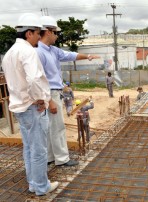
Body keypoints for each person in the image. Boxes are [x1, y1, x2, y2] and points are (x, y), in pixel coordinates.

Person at [2, 13, 58, 196]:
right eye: (37, 33)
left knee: (29, 148)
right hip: (32, 107)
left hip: (19, 107)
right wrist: (41, 99)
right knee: (39, 150)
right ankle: (42, 187)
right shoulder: (28, 51)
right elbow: (34, 79)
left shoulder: (9, 53)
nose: (38, 37)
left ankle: (34, 183)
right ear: (28, 33)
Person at [36, 16, 100, 167]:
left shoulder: (53, 50)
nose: (57, 36)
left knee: (51, 127)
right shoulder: (39, 52)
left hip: (54, 93)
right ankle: (62, 159)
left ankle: (50, 157)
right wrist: (48, 100)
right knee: (57, 127)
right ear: (48, 32)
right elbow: (38, 78)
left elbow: (70, 55)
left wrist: (88, 56)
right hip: (49, 93)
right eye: (55, 32)